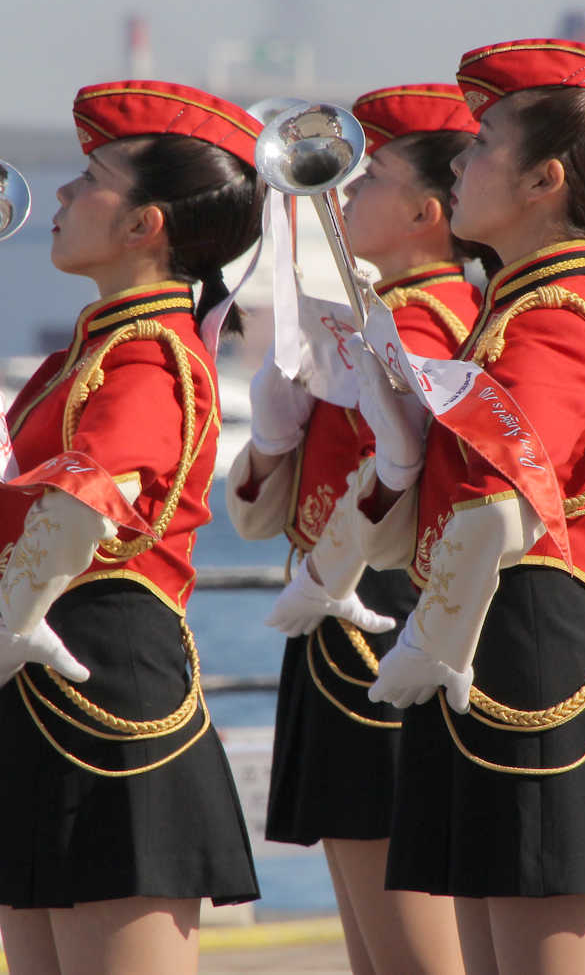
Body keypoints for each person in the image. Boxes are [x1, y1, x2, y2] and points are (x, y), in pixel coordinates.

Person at [0, 80, 264, 975]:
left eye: (93, 178)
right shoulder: (79, 359)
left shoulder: (151, 356)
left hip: (112, 687)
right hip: (35, 685)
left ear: (145, 225)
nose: (62, 193)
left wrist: (5, 621)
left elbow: (79, 508)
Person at [351, 38, 585, 974]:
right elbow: (437, 521)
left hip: (528, 651)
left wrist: (428, 640)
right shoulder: (514, 312)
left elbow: (502, 509)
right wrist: (396, 453)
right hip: (486, 643)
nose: (462, 161)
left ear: (545, 180)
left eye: (486, 142)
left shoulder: (554, 317)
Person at [224, 82, 484, 975]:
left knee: (413, 953)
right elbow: (263, 518)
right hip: (335, 626)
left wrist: (322, 572)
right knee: (373, 950)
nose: (343, 193)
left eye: (369, 179)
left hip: (386, 620)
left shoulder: (435, 327)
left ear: (426, 212)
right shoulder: (369, 323)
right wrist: (272, 437)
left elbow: (410, 501)